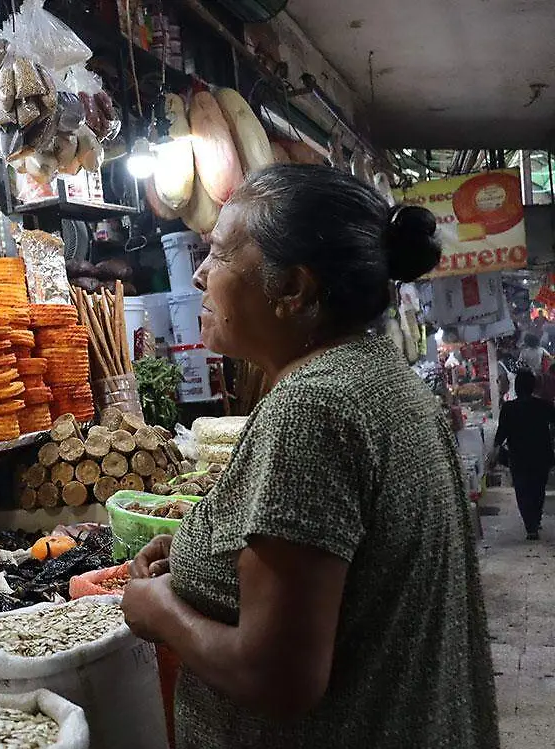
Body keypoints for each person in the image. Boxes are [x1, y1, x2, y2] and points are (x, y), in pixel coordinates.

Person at [121, 164, 497, 748]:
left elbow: (278, 677)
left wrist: (159, 610)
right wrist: (208, 548)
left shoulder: (312, 408)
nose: (198, 274)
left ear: (293, 289)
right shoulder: (378, 376)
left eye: (218, 254)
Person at [492, 369, 555, 540]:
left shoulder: (509, 408)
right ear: (533, 386)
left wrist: (495, 448)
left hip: (519, 457)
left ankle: (531, 525)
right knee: (538, 489)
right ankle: (535, 519)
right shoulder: (544, 406)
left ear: (517, 387)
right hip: (541, 455)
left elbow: (501, 432)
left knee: (522, 490)